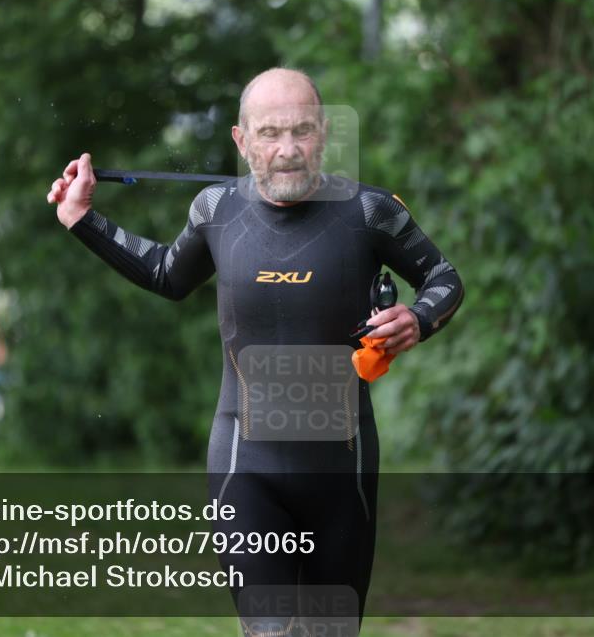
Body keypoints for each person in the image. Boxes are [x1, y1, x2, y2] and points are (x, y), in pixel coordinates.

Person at [48, 68, 464, 635]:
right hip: (246, 465)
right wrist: (80, 218)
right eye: (270, 133)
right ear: (242, 141)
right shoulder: (216, 209)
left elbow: (443, 276)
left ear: (324, 134)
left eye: (302, 132)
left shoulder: (369, 212)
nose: (288, 150)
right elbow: (168, 274)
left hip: (342, 468)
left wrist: (417, 318)